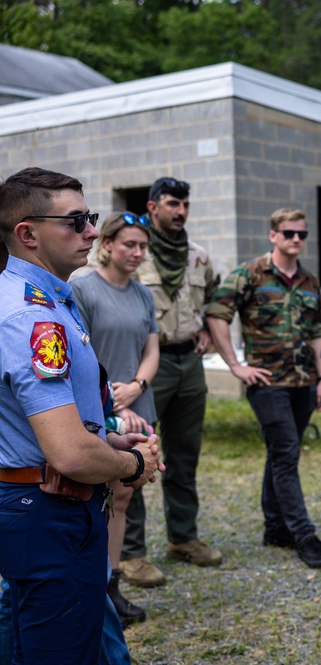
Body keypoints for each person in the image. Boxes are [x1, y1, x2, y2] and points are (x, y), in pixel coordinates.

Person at [0, 167, 162, 665]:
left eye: (90, 217)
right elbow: (69, 452)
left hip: (37, 504)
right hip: (50, 513)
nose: (92, 231)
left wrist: (108, 443)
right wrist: (134, 467)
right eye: (76, 221)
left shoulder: (42, 299)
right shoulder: (34, 317)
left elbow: (43, 426)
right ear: (27, 233)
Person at [206, 208, 321, 569]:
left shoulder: (309, 282)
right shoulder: (249, 274)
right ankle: (303, 534)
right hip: (267, 383)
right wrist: (236, 365)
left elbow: (317, 332)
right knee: (286, 454)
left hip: (304, 383)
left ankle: (275, 527)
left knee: (280, 453)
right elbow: (217, 314)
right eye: (289, 233)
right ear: (273, 235)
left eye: (302, 234)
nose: (297, 239)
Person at [121, 177, 222, 588]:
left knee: (184, 453)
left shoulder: (198, 256)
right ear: (153, 206)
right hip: (145, 366)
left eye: (185, 204)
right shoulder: (132, 253)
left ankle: (183, 537)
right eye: (172, 204)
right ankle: (130, 554)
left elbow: (217, 297)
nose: (180, 211)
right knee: (138, 454)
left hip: (188, 362)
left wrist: (208, 330)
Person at [71, 211, 161, 628]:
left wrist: (138, 387)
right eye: (129, 244)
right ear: (106, 243)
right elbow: (82, 352)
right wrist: (114, 405)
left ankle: (111, 585)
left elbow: (152, 349)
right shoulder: (83, 288)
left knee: (125, 494)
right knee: (100, 494)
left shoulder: (143, 294)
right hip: (101, 405)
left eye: (142, 246)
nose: (137, 252)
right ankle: (90, 589)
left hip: (138, 404)